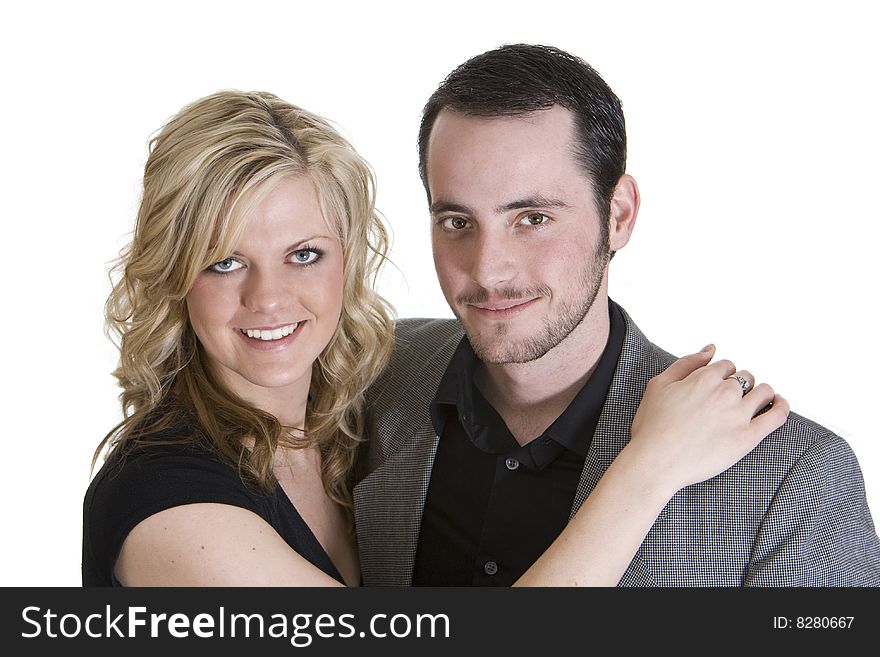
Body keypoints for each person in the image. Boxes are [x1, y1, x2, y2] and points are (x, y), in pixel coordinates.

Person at [82, 89, 786, 587]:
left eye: (304, 254)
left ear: (349, 257)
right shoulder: (171, 504)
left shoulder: (362, 409)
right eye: (224, 261)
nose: (269, 298)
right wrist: (648, 468)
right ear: (174, 273)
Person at [352, 44, 880, 586]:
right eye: (457, 222)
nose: (489, 272)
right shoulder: (373, 374)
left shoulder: (791, 476)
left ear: (619, 215)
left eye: (533, 218)